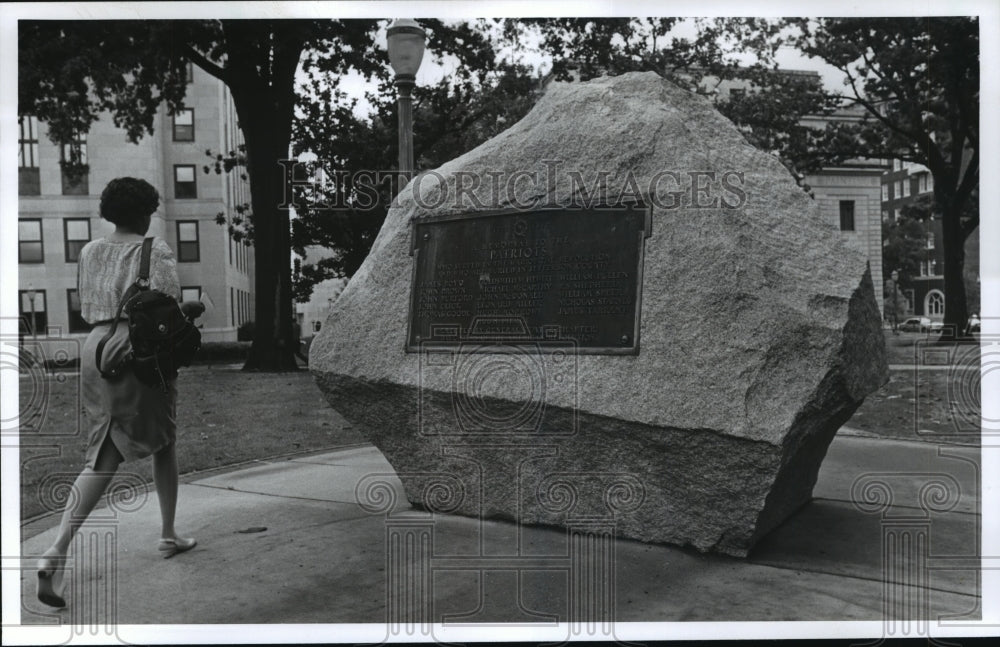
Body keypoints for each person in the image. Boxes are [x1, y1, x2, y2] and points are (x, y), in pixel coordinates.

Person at [36, 178, 205, 608]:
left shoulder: (90, 251)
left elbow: (91, 303)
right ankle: (57, 550)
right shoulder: (155, 250)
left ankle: (167, 533)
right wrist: (192, 310)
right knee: (142, 446)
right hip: (138, 351)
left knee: (109, 444)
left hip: (95, 347)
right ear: (146, 212)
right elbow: (166, 307)